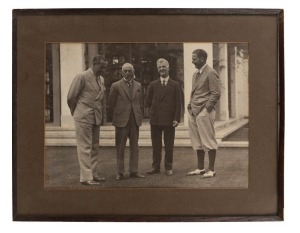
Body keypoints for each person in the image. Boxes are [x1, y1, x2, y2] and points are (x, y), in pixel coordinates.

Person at [67, 55, 108, 185]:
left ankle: (93, 173)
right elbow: (71, 97)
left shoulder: (101, 78)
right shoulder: (82, 77)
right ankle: (86, 178)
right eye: (101, 67)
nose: (103, 70)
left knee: (94, 147)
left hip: (96, 117)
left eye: (105, 68)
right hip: (83, 117)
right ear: (94, 64)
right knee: (84, 147)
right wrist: (76, 111)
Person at [187, 49, 221, 178]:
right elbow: (194, 92)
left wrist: (206, 109)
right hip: (194, 111)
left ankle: (211, 170)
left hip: (204, 112)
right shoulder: (195, 74)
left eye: (194, 58)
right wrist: (190, 106)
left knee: (208, 140)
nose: (192, 61)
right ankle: (200, 168)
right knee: (197, 141)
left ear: (202, 59)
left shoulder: (211, 73)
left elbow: (216, 93)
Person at [108, 63, 145, 180]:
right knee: (120, 147)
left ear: (133, 72)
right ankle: (120, 172)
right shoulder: (116, 85)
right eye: (125, 71)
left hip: (134, 120)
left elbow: (141, 102)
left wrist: (138, 114)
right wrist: (121, 112)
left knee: (135, 146)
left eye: (130, 71)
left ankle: (134, 171)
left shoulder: (139, 85)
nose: (128, 73)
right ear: (122, 72)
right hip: (121, 120)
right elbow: (111, 103)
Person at [146, 58, 181, 176]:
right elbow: (148, 102)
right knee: (156, 146)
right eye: (159, 67)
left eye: (163, 67)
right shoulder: (153, 84)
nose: (161, 69)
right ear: (157, 70)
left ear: (168, 68)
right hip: (155, 120)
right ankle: (155, 167)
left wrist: (176, 118)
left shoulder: (175, 85)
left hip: (169, 120)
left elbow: (178, 103)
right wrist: (152, 113)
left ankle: (168, 167)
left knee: (169, 145)